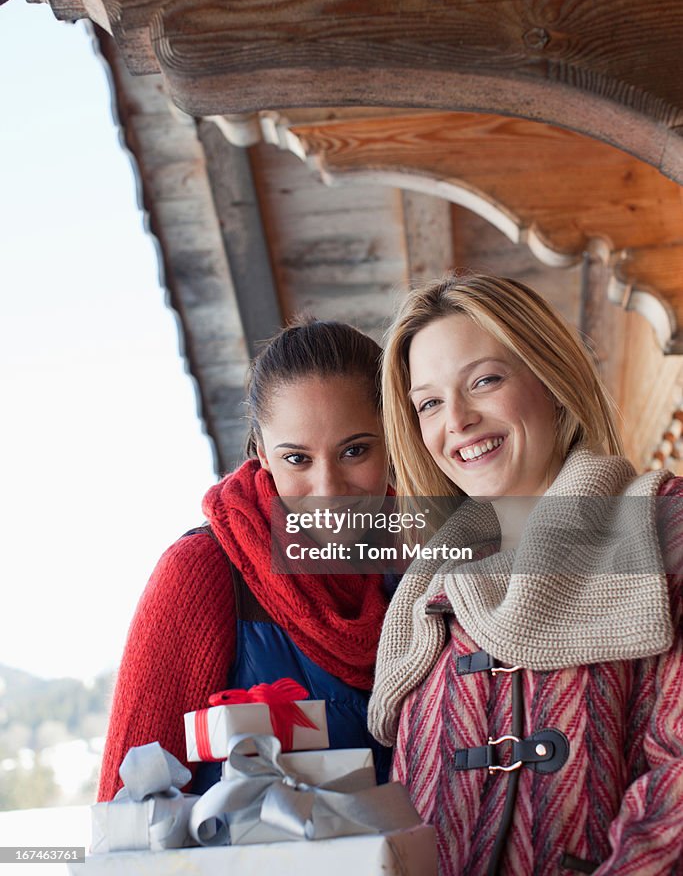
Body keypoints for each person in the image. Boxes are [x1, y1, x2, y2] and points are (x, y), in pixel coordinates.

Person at [368, 273, 683, 876]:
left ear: (552, 379)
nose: (455, 419)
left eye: (484, 380)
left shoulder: (664, 525)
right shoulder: (423, 599)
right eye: (429, 402)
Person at [98, 319, 393, 801]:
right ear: (262, 453)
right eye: (297, 459)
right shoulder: (202, 571)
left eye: (355, 451)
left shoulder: (427, 569)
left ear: (393, 439)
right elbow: (125, 815)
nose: (328, 490)